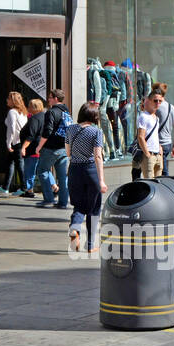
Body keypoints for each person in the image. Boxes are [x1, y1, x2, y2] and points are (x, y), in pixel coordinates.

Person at [66, 102, 108, 253]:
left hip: (74, 170)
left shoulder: (70, 129)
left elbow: (68, 153)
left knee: (78, 205)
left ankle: (75, 227)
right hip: (90, 171)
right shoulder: (96, 131)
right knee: (94, 208)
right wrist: (101, 180)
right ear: (94, 116)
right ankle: (90, 245)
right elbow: (97, 156)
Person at [35, 89, 71, 209]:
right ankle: (63, 202)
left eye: (50, 97)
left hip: (51, 148)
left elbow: (47, 131)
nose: (48, 99)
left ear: (56, 98)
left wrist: (39, 147)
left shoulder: (51, 112)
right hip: (64, 148)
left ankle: (49, 199)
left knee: (42, 170)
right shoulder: (66, 111)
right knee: (62, 176)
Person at [16, 98, 48, 199]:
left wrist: (24, 147)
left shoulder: (35, 118)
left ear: (34, 108)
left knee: (29, 170)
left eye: (29, 106)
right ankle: (54, 187)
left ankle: (29, 190)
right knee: (43, 169)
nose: (28, 108)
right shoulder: (44, 116)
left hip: (33, 148)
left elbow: (31, 135)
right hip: (42, 147)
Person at [0, 91, 28, 193]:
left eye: (8, 98)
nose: (7, 100)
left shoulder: (12, 112)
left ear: (13, 101)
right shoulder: (23, 112)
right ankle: (5, 187)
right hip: (21, 141)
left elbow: (11, 129)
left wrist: (8, 143)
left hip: (16, 142)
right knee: (10, 163)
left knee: (19, 165)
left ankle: (24, 187)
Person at [132, 93, 164, 179]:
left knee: (159, 183)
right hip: (149, 154)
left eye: (160, 101)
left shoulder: (156, 117)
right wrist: (147, 154)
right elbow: (140, 137)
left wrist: (160, 148)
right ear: (149, 101)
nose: (157, 103)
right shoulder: (143, 116)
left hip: (158, 154)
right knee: (150, 183)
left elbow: (155, 135)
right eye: (155, 100)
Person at [152, 82, 174, 175]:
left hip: (157, 143)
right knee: (161, 168)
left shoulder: (155, 107)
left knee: (160, 171)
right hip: (167, 143)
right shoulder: (171, 107)